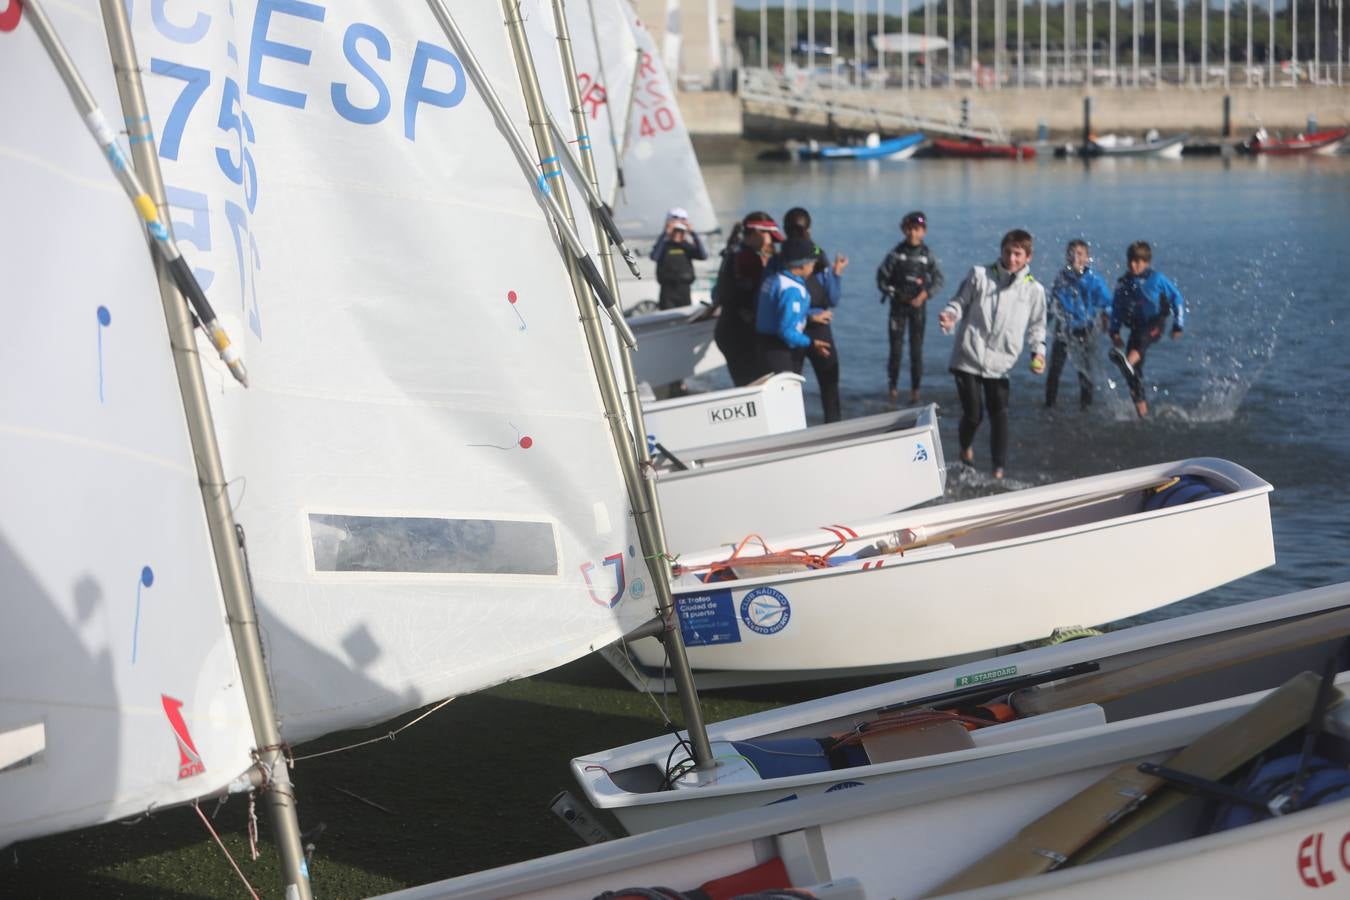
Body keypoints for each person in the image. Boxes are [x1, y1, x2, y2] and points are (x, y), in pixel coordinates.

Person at [938, 229, 1047, 480]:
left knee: (1000, 415)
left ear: (1028, 257)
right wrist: (949, 316)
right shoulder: (980, 275)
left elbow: (1038, 327)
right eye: (1008, 252)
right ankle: (965, 448)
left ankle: (998, 470)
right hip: (968, 356)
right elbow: (958, 302)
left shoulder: (1034, 290)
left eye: (1018, 254)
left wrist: (1038, 354)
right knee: (974, 414)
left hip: (1002, 363)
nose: (1011, 258)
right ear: (1001, 251)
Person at [769, 207, 848, 422]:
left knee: (789, 388)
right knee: (829, 385)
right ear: (810, 230)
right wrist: (837, 274)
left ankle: (792, 433)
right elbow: (832, 298)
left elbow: (771, 299)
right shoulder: (818, 256)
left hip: (790, 331)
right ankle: (836, 434)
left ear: (785, 230)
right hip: (817, 328)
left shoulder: (776, 260)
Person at [1107, 240, 1186, 418]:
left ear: (1146, 262)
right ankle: (1142, 413)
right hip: (1136, 326)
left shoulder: (1156, 279)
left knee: (1140, 344)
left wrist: (1178, 324)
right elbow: (1117, 308)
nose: (1133, 265)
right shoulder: (1123, 283)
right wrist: (1115, 332)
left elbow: (1177, 298)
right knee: (1134, 375)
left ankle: (1128, 362)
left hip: (1155, 324)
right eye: (1130, 261)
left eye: (1138, 261)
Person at [876, 210, 944, 405]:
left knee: (916, 351)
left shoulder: (927, 255)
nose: (913, 233)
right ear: (904, 230)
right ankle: (893, 391)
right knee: (895, 351)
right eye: (910, 229)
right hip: (898, 308)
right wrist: (894, 293)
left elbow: (939, 279)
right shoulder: (896, 254)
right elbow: (881, 277)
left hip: (918, 309)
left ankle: (916, 392)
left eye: (917, 229)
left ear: (924, 231)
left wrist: (924, 295)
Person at [713, 212, 785, 386]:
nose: (770, 242)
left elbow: (721, 293)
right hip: (740, 332)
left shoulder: (733, 252)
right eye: (768, 236)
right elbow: (753, 293)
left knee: (745, 385)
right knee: (753, 387)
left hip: (728, 327)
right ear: (756, 233)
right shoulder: (748, 258)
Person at [1045, 239, 1112, 409]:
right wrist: (1043, 323)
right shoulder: (1062, 277)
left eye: (1080, 254)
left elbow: (1107, 303)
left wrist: (1107, 318)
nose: (1075, 257)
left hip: (1085, 328)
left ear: (1088, 258)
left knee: (1085, 371)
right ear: (1067, 257)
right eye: (1072, 253)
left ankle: (1086, 406)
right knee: (1054, 369)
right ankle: (1049, 404)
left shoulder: (1094, 279)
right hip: (1063, 328)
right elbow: (1053, 303)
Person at [755, 237, 833, 376]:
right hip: (778, 350)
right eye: (812, 263)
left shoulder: (773, 279)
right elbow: (785, 331)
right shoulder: (792, 290)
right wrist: (811, 343)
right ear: (803, 265)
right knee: (787, 394)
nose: (813, 267)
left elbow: (776, 314)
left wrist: (809, 318)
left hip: (763, 344)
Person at [649, 207, 708, 310]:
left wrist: (693, 233)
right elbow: (654, 256)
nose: (677, 234)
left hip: (684, 290)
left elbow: (703, 256)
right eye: (675, 231)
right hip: (667, 291)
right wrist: (665, 233)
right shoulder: (664, 245)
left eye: (680, 231)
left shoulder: (686, 246)